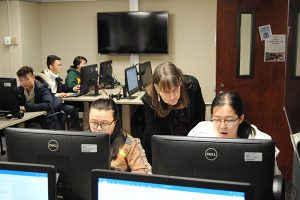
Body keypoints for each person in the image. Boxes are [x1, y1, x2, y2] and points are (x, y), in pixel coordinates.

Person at [188, 91, 281, 175]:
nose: (222, 126)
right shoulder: (199, 132)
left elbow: (273, 178)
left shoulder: (259, 141)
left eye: (229, 120)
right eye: (216, 119)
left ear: (241, 119)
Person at [141, 61, 206, 162]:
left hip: (191, 142)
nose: (172, 96)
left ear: (179, 82)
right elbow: (156, 134)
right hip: (162, 147)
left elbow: (200, 115)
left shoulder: (192, 86)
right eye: (166, 92)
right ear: (157, 89)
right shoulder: (149, 100)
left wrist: (194, 142)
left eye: (175, 89)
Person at [89, 98, 152, 174]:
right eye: (94, 122)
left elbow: (143, 171)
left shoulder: (128, 142)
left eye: (104, 124)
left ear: (115, 122)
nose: (98, 128)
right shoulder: (81, 140)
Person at [37, 55, 81, 130]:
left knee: (73, 109)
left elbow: (61, 87)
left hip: (58, 103)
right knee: (62, 115)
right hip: (49, 106)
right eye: (58, 65)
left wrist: (72, 88)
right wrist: (57, 94)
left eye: (60, 65)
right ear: (51, 66)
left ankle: (76, 132)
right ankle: (61, 134)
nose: (60, 67)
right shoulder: (42, 79)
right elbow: (44, 94)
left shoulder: (55, 76)